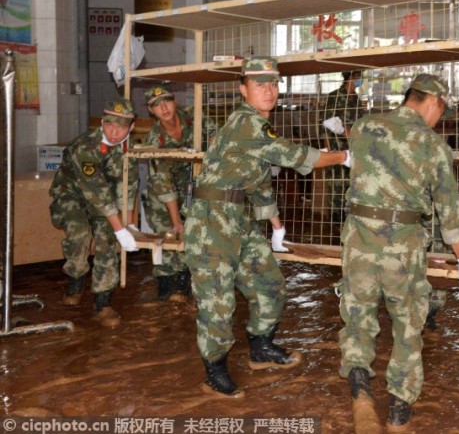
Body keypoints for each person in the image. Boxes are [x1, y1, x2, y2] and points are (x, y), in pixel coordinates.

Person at [184, 56, 351, 399]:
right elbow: (293, 156)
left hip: (240, 218)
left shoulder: (258, 127)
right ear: (242, 89)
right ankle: (214, 371)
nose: (269, 91)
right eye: (260, 84)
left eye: (273, 84)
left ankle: (261, 347)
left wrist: (276, 227)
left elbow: (259, 182)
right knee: (217, 300)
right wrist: (344, 157)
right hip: (211, 222)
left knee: (269, 284)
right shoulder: (246, 123)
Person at [338, 73, 459, 433]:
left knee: (358, 315)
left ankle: (360, 390)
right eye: (441, 110)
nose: (439, 118)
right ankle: (399, 408)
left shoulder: (364, 125)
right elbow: (448, 207)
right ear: (432, 102)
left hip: (358, 237)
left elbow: (357, 161)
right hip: (402, 242)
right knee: (407, 321)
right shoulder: (431, 144)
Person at [49, 98, 139, 328]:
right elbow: (97, 192)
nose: (114, 132)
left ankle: (102, 303)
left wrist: (127, 224)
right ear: (102, 123)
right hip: (73, 196)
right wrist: (120, 229)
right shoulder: (86, 147)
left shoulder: (128, 149)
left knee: (107, 239)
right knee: (80, 233)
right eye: (109, 125)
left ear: (131, 127)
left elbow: (127, 187)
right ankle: (76, 279)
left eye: (121, 127)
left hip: (102, 203)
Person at [143, 84, 216, 302]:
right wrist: (176, 220)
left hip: (191, 183)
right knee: (165, 232)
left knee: (191, 230)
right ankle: (166, 279)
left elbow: (214, 132)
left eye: (166, 101)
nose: (163, 108)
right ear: (151, 111)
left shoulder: (194, 117)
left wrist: (213, 144)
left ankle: (183, 278)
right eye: (156, 105)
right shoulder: (155, 139)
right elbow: (163, 181)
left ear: (175, 101)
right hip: (162, 188)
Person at [323, 70, 364, 225]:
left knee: (351, 181)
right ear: (350, 78)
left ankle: (349, 217)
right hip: (336, 146)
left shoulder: (356, 99)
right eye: (358, 77)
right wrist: (327, 148)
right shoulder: (334, 97)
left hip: (353, 146)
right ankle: (336, 217)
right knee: (336, 183)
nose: (360, 80)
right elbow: (325, 124)